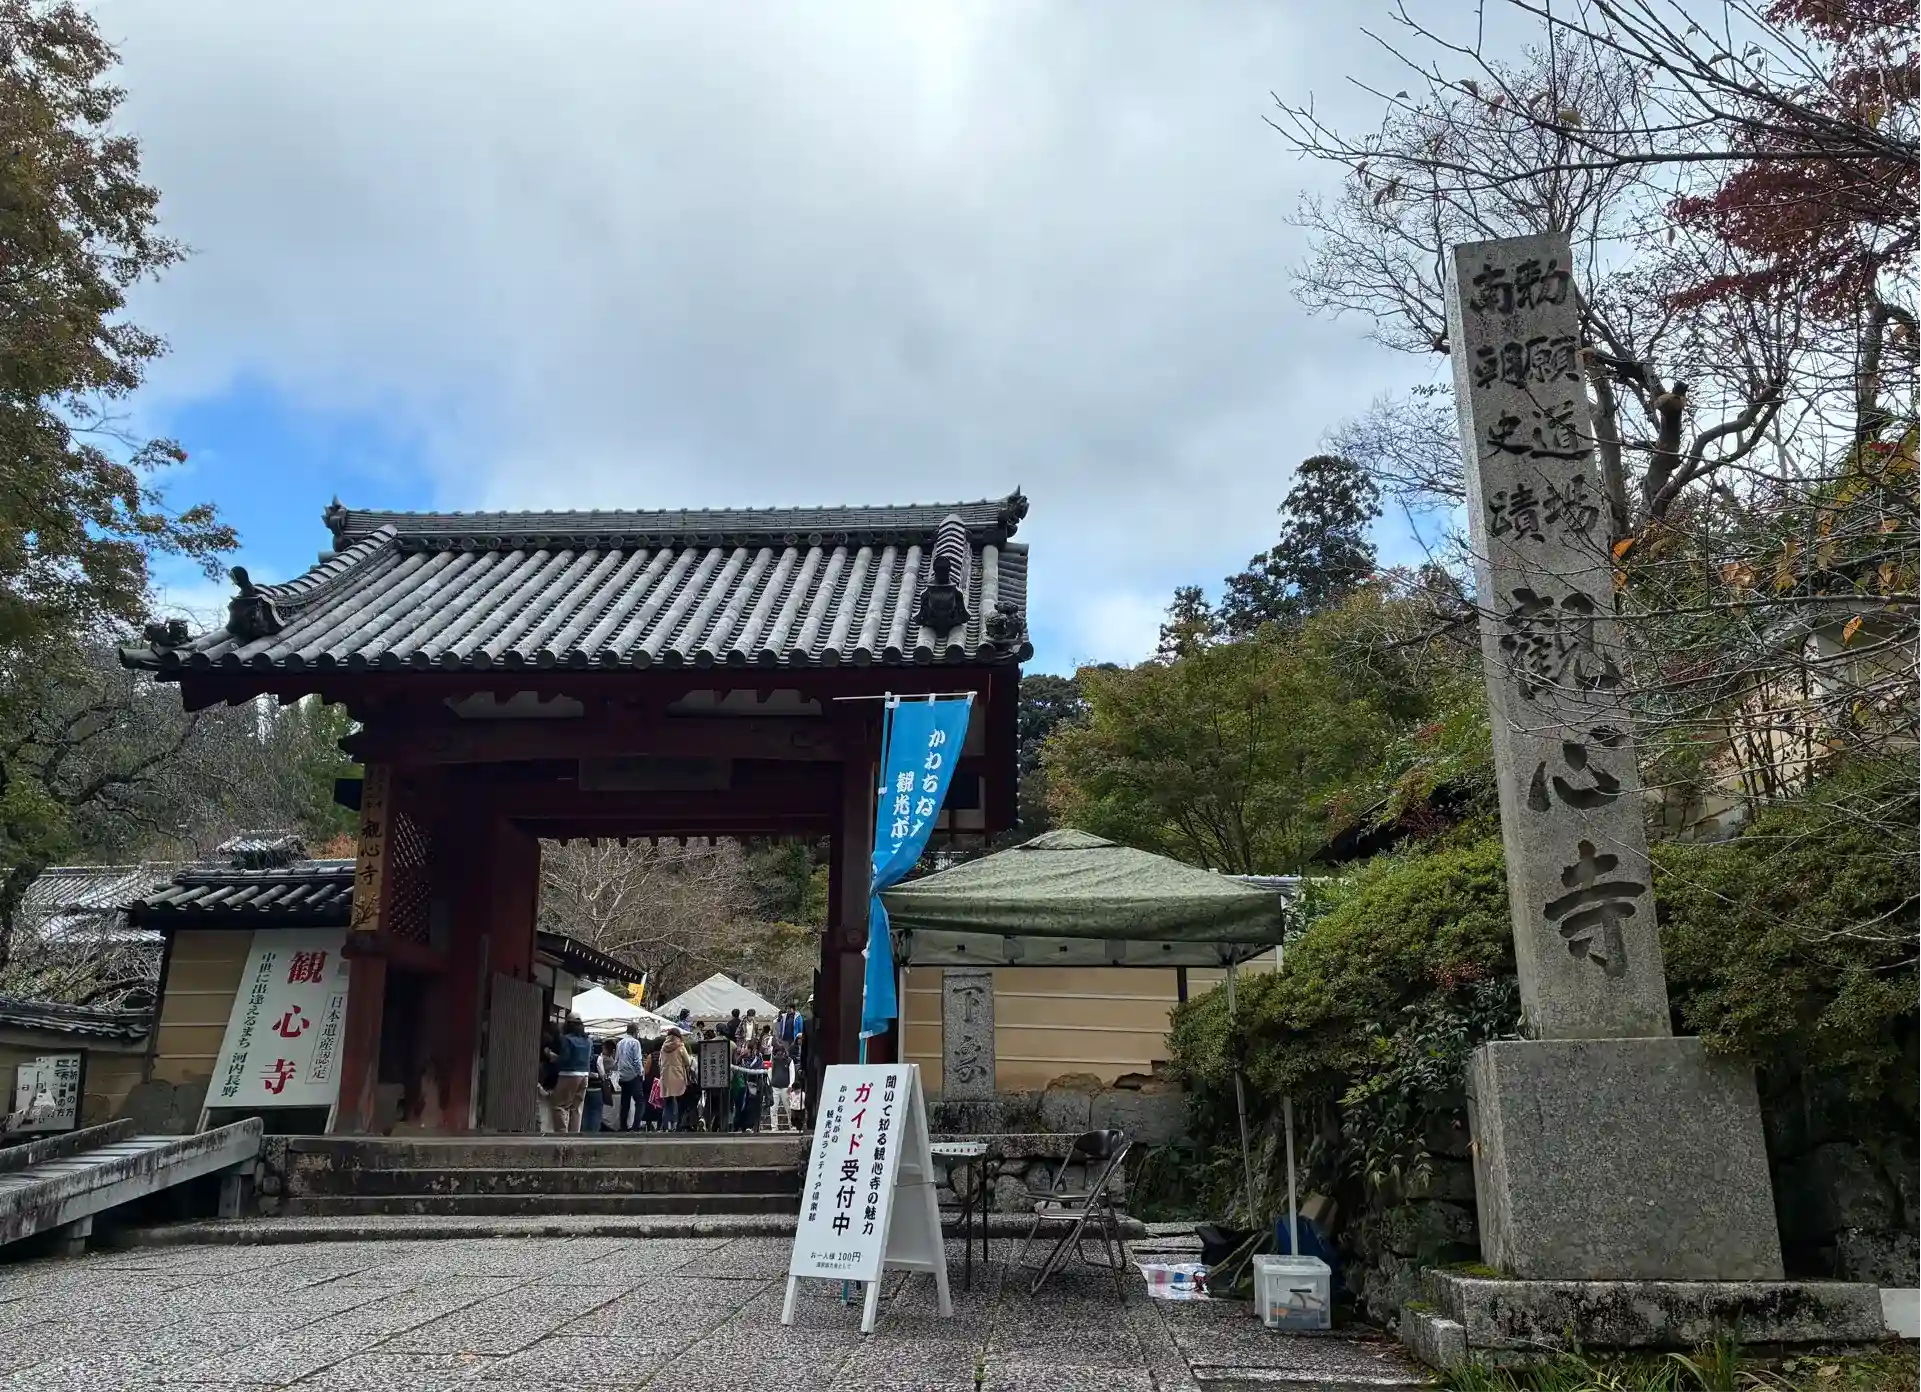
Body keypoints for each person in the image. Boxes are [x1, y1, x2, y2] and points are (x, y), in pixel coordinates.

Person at [548, 1015, 593, 1134]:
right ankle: (574, 1135)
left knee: (560, 1106)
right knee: (576, 1108)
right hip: (584, 1075)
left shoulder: (567, 1039)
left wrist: (552, 1056)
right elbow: (589, 1058)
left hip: (568, 1074)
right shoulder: (588, 1040)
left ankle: (562, 1135)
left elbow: (565, 1059)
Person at [656, 1027, 692, 1132]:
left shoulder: (663, 1047)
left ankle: (666, 1125)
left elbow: (660, 1063)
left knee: (667, 1102)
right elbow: (688, 1062)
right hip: (678, 1076)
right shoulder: (680, 1046)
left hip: (665, 1076)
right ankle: (676, 1125)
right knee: (678, 1100)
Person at [615, 1022, 646, 1132]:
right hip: (633, 1075)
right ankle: (635, 1126)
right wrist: (640, 1073)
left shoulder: (619, 1043)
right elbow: (637, 1060)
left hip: (622, 1076)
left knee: (625, 1102)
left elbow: (616, 1060)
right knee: (640, 1101)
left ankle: (623, 1126)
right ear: (635, 1031)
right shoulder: (635, 1043)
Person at [583, 1038, 616, 1134]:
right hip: (596, 1088)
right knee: (596, 1113)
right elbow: (602, 1074)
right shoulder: (598, 1058)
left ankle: (584, 1133)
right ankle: (593, 1134)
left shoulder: (585, 1056)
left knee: (585, 1112)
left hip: (585, 1087)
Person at [537, 1022, 562, 1134]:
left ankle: (545, 1130)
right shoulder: (562, 1041)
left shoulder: (546, 1042)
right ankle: (553, 1131)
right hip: (557, 1081)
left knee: (543, 1109)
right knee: (554, 1110)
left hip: (545, 1081)